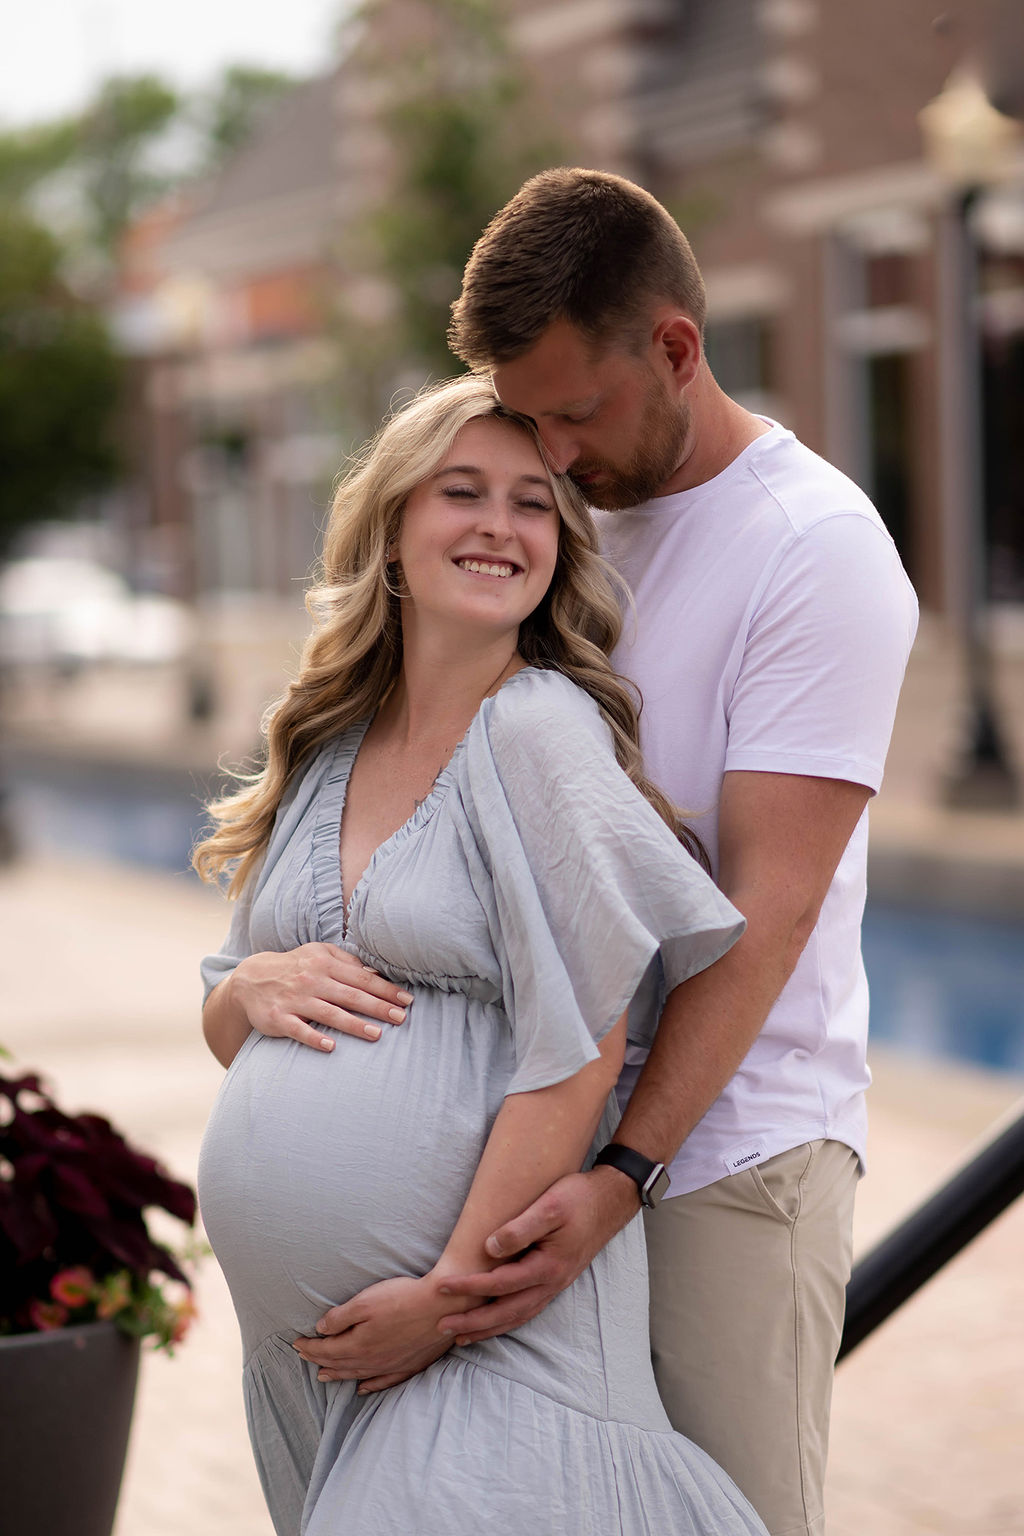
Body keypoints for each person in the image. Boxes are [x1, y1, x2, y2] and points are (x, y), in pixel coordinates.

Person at [298, 170, 919, 1536]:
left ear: (677, 350)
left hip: (713, 1165)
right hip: (540, 1168)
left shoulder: (812, 549)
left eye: (576, 412)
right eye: (530, 420)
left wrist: (618, 1179)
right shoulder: (558, 521)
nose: (555, 456)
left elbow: (768, 904)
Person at [194, 373, 770, 1536]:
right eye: (463, 493)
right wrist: (252, 986)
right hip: (317, 1370)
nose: (500, 527)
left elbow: (580, 1054)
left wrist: (447, 1303)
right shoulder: (324, 745)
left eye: (534, 504)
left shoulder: (540, 729)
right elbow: (227, 1025)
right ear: (394, 534)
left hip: (486, 1348)